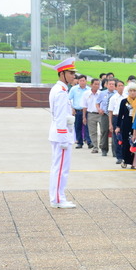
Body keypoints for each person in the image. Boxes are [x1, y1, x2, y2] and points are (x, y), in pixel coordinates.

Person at [49, 58, 78, 208]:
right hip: (62, 134)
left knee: (60, 168)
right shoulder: (60, 92)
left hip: (61, 133)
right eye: (71, 73)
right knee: (61, 169)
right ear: (62, 74)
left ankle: (59, 197)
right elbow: (60, 117)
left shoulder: (61, 90)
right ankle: (58, 199)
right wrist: (63, 139)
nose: (74, 75)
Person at [115, 83, 136, 168]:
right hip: (126, 124)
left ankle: (133, 162)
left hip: (135, 124)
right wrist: (118, 126)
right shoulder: (124, 102)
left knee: (135, 143)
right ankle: (125, 160)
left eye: (134, 91)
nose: (132, 93)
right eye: (131, 91)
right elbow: (120, 114)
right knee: (125, 143)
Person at [68, 74, 90, 149]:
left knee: (88, 127)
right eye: (80, 81)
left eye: (83, 80)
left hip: (87, 111)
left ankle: (89, 141)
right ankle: (79, 142)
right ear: (78, 81)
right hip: (77, 110)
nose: (82, 82)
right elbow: (69, 99)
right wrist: (72, 108)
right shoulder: (74, 89)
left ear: (86, 81)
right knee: (78, 127)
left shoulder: (89, 90)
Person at [97, 78, 116, 157]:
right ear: (107, 85)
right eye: (110, 84)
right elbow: (97, 103)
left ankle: (115, 151)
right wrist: (99, 109)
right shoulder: (102, 93)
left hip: (114, 115)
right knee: (104, 131)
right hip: (105, 114)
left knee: (114, 132)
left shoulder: (117, 94)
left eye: (113, 84)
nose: (111, 85)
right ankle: (104, 149)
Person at [82, 78, 101, 153]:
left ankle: (102, 146)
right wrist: (84, 117)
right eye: (95, 84)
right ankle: (95, 147)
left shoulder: (101, 94)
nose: (97, 86)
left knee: (103, 131)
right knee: (92, 132)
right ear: (91, 84)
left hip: (100, 114)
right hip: (91, 114)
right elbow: (84, 106)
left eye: (98, 84)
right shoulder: (86, 94)